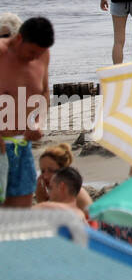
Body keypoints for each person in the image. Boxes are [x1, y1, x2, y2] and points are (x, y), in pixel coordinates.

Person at [0, 17, 54, 206]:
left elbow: (45, 91)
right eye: (32, 52)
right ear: (19, 39)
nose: (34, 57)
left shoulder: (43, 54)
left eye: (39, 53)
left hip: (23, 145)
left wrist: (37, 122)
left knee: (20, 212)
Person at [35, 144, 93, 215]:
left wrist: (41, 201)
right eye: (43, 171)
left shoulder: (70, 192)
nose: (45, 176)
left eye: (51, 170)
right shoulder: (59, 191)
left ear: (63, 170)